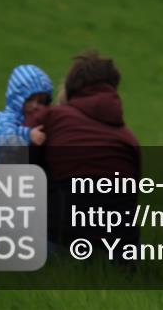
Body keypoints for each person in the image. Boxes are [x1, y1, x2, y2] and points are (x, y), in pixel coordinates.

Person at [26, 50, 141, 257]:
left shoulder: (51, 118)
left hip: (60, 246)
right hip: (117, 256)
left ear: (71, 86)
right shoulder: (128, 139)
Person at [0, 64, 52, 149]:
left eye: (41, 102)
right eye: (29, 99)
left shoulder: (42, 122)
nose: (35, 105)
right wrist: (27, 135)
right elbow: (2, 138)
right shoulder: (7, 118)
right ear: (17, 98)